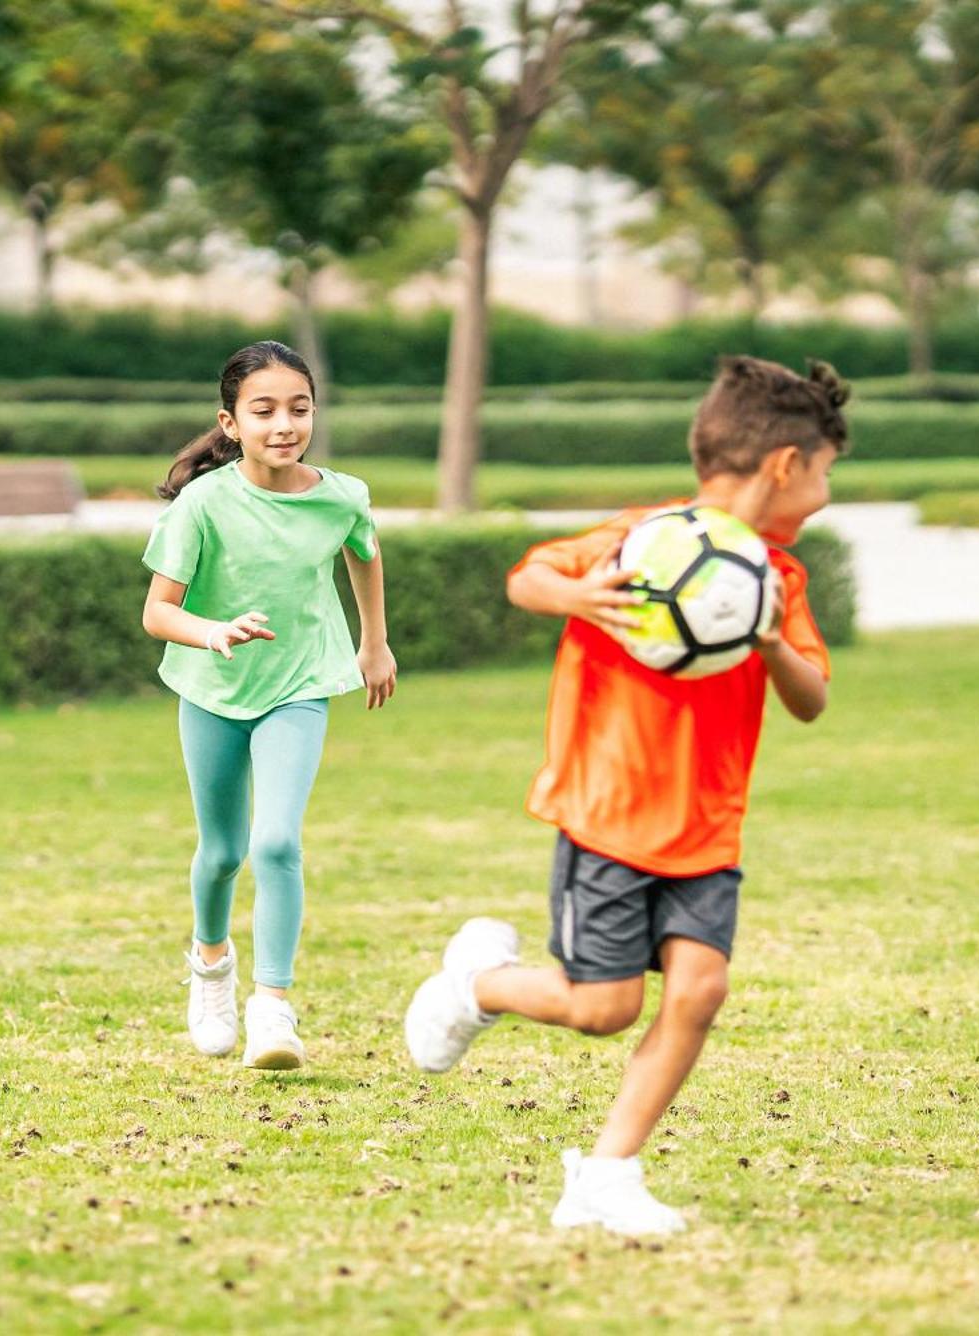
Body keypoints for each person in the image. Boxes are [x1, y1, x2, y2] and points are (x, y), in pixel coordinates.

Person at [404, 354, 847, 1233]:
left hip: (708, 827)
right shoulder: (641, 541)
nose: (829, 496)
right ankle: (478, 984)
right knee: (602, 1009)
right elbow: (526, 578)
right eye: (829, 473)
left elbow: (812, 698)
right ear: (785, 465)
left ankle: (608, 1174)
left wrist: (765, 641)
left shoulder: (776, 576)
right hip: (609, 816)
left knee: (699, 991)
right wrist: (582, 596)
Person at [142, 340, 396, 1070]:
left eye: (299, 408)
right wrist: (213, 631)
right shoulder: (203, 504)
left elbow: (365, 552)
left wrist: (373, 642)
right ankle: (211, 968)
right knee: (222, 851)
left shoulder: (342, 494)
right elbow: (159, 613)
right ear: (230, 422)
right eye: (264, 411)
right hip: (214, 690)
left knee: (277, 841)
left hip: (300, 685)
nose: (284, 424)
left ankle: (274, 1009)